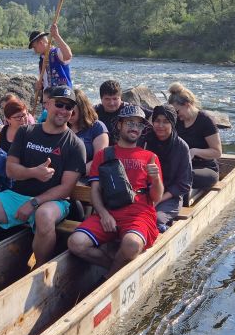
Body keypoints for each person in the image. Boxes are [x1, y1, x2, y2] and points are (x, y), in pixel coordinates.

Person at [0, 85, 86, 267]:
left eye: (69, 107)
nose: (64, 110)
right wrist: (34, 172)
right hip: (16, 195)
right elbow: (11, 169)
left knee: (43, 215)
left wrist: (33, 202)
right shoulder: (26, 132)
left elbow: (65, 188)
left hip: (53, 202)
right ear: (48, 104)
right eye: (60, 104)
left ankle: (40, 268)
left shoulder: (75, 145)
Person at [67, 105, 164, 277]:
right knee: (76, 243)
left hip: (139, 215)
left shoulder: (150, 157)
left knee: (132, 244)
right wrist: (104, 214)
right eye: (130, 122)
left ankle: (106, 281)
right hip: (109, 212)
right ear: (119, 125)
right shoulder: (104, 154)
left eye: (139, 124)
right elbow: (95, 190)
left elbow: (156, 197)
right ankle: (118, 269)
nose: (135, 127)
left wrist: (155, 179)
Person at [142, 104, 192, 232]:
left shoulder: (181, 147)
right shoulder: (144, 142)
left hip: (170, 197)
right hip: (145, 192)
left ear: (172, 124)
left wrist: (157, 201)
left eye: (165, 122)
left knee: (155, 218)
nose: (160, 126)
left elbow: (184, 184)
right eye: (157, 121)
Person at [167, 82, 222, 190]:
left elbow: (217, 152)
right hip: (183, 166)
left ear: (187, 105)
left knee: (184, 176)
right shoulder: (177, 121)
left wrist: (194, 151)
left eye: (177, 111)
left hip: (206, 167)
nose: (176, 115)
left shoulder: (205, 120)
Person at [94, 80, 152, 144]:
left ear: (121, 97)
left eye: (115, 99)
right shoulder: (94, 111)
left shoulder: (131, 109)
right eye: (107, 99)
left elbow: (154, 114)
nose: (111, 103)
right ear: (101, 98)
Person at [67, 88, 108, 175]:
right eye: (66, 111)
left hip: (86, 178)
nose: (68, 116)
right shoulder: (63, 126)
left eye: (72, 113)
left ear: (82, 110)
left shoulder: (97, 128)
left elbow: (99, 160)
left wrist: (72, 175)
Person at [29, 22, 72, 94]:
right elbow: (44, 82)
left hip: (62, 98)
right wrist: (39, 86)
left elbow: (68, 55)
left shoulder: (56, 53)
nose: (35, 51)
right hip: (49, 100)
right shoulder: (41, 60)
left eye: (35, 47)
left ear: (41, 43)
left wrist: (56, 36)